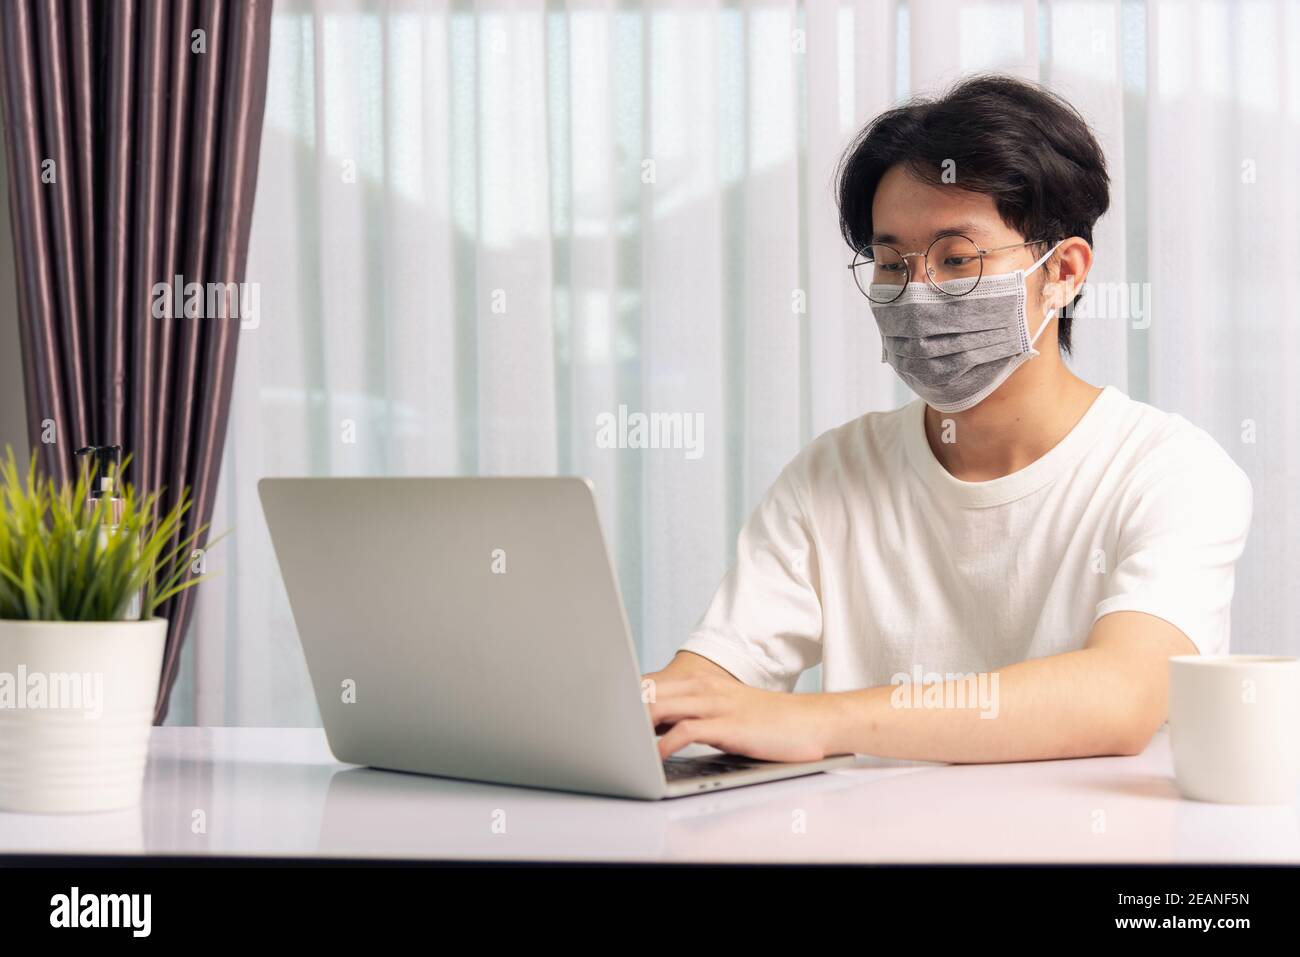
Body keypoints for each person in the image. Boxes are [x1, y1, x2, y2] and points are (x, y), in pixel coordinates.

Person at [642, 74, 1252, 765]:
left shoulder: (1171, 472)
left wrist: (814, 722)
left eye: (956, 259)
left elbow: (1119, 696)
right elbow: (710, 682)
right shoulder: (833, 475)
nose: (918, 292)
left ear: (1065, 271)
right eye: (891, 262)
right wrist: (613, 708)